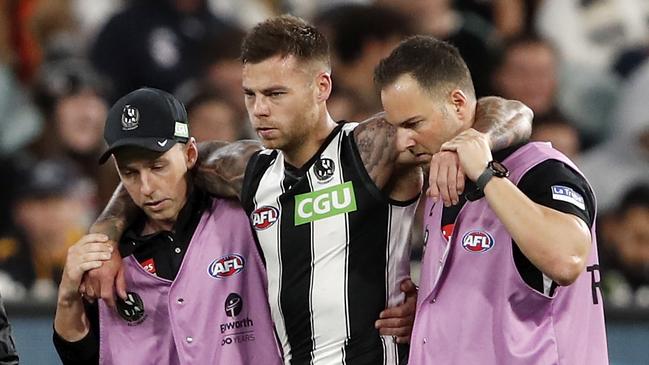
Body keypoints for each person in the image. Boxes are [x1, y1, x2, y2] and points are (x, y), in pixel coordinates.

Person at [85, 16, 533, 364]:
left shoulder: (371, 148)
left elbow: (508, 110)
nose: (259, 110)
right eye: (251, 95)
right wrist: (104, 238)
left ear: (322, 87)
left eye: (276, 93)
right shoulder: (246, 169)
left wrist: (467, 144)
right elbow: (154, 167)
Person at [375, 35, 608, 364]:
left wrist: (486, 175)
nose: (404, 141)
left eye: (414, 124)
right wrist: (434, 313)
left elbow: (567, 260)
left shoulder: (541, 171)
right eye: (396, 127)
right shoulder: (444, 177)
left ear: (458, 103)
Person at [52, 88, 282, 364]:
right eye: (130, 173)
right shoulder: (112, 256)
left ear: (190, 154)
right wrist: (67, 297)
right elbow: (82, 358)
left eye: (158, 167)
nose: (146, 188)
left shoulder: (244, 218)